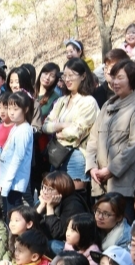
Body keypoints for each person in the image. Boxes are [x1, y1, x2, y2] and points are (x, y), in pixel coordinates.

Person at [86, 59, 135, 219]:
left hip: (123, 183)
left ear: (133, 80)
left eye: (120, 78)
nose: (114, 82)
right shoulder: (108, 105)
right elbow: (93, 138)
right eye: (113, 77)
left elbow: (134, 146)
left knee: (121, 229)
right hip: (100, 181)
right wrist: (92, 167)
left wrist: (111, 170)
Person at [41, 59, 99, 188]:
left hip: (76, 155)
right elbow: (45, 126)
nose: (67, 79)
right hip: (58, 154)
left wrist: (58, 131)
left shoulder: (88, 102)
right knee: (55, 196)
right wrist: (61, 126)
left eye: (71, 75)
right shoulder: (62, 100)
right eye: (65, 76)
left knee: (73, 199)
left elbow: (77, 131)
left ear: (83, 76)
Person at [0, 92, 34, 214]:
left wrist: (7, 183)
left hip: (14, 182)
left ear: (26, 109)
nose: (11, 112)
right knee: (9, 212)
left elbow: (17, 158)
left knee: (13, 213)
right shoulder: (17, 126)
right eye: (9, 108)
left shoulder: (24, 130)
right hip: (8, 179)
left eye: (16, 109)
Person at [37, 171, 89, 255]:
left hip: (74, 248)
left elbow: (59, 234)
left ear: (62, 190)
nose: (45, 192)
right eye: (44, 187)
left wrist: (50, 209)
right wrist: (41, 206)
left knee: (51, 245)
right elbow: (28, 223)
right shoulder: (46, 199)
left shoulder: (73, 204)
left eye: (50, 189)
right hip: (52, 239)